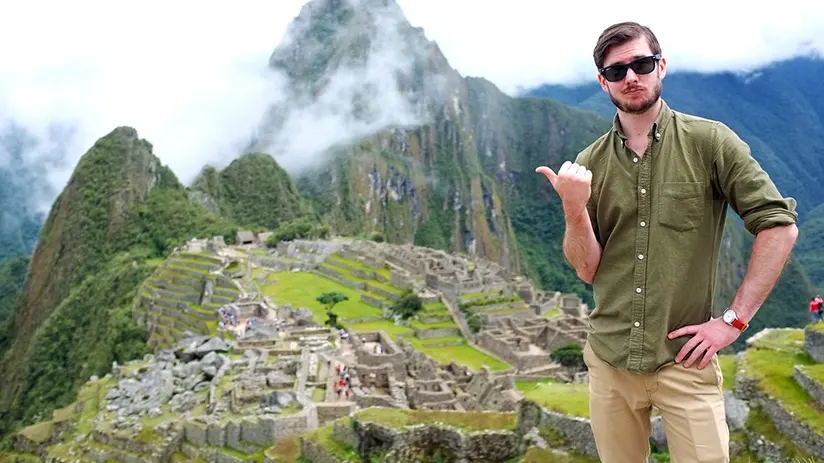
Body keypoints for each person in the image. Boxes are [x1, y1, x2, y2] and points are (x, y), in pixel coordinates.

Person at [536, 21, 799, 463]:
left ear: (661, 66)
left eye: (641, 64)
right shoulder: (590, 162)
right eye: (617, 71)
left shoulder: (709, 142)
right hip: (610, 358)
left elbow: (779, 225)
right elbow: (586, 269)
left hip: (685, 362)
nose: (631, 77)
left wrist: (733, 321)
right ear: (603, 81)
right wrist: (574, 208)